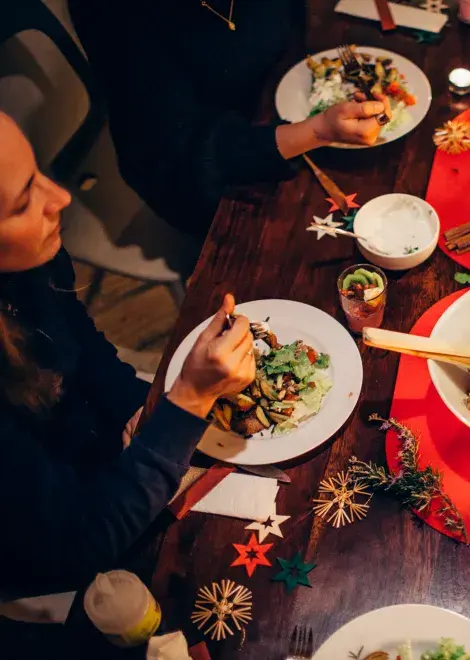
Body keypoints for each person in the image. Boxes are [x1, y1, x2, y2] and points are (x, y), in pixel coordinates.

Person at [0, 112, 256, 604]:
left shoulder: (29, 263)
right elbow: (75, 545)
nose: (61, 198)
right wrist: (187, 400)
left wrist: (145, 410)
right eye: (22, 202)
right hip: (66, 566)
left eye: (39, 175)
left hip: (110, 465)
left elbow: (83, 352)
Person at [67, 0, 391, 237]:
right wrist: (318, 130)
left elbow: (287, 25)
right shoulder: (114, 11)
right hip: (202, 173)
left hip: (275, 108)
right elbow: (177, 154)